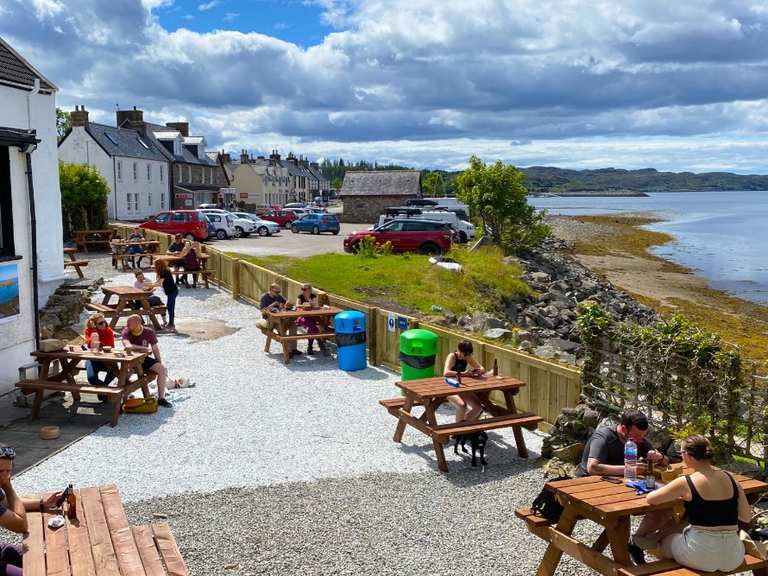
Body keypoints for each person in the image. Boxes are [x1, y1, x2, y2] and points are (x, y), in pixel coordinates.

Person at [642, 435, 750, 572]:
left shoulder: (686, 481)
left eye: (681, 453)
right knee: (679, 533)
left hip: (701, 553)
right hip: (733, 555)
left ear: (688, 455)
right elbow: (746, 517)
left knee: (663, 541)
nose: (681, 457)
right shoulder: (731, 478)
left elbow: (651, 499)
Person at [576, 410, 669, 564]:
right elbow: (592, 468)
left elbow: (666, 463)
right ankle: (624, 564)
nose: (641, 440)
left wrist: (659, 457)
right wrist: (628, 470)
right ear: (624, 429)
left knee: (663, 506)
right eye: (637, 436)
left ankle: (636, 544)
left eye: (643, 436)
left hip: (619, 486)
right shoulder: (604, 436)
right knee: (621, 517)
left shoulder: (638, 440)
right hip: (589, 488)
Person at [0, 446, 62, 576]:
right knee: (32, 572)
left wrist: (42, 503)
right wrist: (8, 486)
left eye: (8, 471)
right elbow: (21, 525)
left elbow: (7, 503)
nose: (5, 476)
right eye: (0, 471)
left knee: (45, 561)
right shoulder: (5, 483)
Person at [120, 315, 171, 407]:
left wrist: (159, 362)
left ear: (137, 324)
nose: (126, 325)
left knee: (162, 369)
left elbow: (155, 349)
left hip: (143, 359)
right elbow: (127, 345)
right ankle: (122, 398)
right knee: (125, 374)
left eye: (129, 323)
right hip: (130, 360)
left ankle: (161, 398)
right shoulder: (126, 331)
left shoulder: (149, 332)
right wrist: (144, 348)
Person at [443, 340, 484, 423]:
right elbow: (446, 373)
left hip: (461, 386)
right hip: (448, 386)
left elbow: (482, 369)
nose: (466, 356)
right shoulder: (452, 356)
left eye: (468, 354)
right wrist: (464, 374)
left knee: (478, 407)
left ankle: (462, 427)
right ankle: (458, 432)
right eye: (465, 354)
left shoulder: (467, 356)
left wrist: (476, 371)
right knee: (462, 406)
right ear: (459, 351)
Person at [83, 313, 117, 400]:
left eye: (104, 322)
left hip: (106, 358)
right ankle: (105, 390)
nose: (104, 324)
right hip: (92, 359)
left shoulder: (108, 331)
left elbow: (111, 346)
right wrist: (94, 331)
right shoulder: (89, 330)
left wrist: (99, 345)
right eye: (100, 323)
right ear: (94, 324)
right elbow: (90, 344)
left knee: (114, 372)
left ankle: (103, 392)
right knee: (91, 378)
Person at [259, 283, 299, 356]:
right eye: (277, 292)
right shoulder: (264, 297)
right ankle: (287, 351)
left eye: (279, 292)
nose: (278, 293)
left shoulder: (278, 296)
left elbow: (286, 301)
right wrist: (273, 304)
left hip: (280, 317)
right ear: (271, 290)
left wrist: (287, 304)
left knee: (293, 325)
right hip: (269, 319)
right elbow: (262, 310)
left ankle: (293, 348)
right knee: (281, 327)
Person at [296, 284, 326, 355]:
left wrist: (311, 303)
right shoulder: (300, 296)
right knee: (314, 327)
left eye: (304, 289)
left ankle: (311, 346)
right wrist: (304, 305)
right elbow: (297, 305)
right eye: (302, 289)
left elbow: (316, 306)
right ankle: (318, 342)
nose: (303, 290)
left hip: (312, 316)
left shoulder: (313, 296)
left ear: (309, 290)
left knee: (314, 326)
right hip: (303, 316)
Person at [153, 259, 178, 332]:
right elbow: (157, 281)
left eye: (155, 265)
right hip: (170, 292)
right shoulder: (162, 271)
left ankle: (171, 324)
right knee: (169, 307)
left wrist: (150, 285)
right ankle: (170, 323)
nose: (154, 266)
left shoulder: (165, 272)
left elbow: (159, 283)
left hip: (172, 291)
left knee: (170, 307)